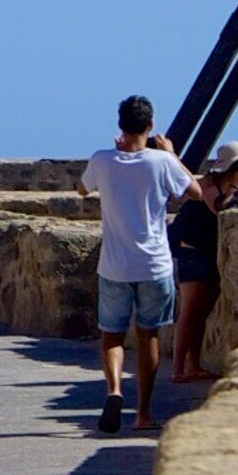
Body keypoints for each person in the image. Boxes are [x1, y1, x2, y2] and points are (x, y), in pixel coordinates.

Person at [81, 95, 194, 435]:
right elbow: (196, 191)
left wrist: (113, 156)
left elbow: (81, 189)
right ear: (150, 125)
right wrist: (172, 154)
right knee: (149, 337)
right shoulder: (162, 162)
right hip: (154, 266)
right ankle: (143, 413)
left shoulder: (102, 160)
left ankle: (114, 390)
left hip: (114, 266)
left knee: (111, 336)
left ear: (120, 125)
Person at [168, 141, 238, 387]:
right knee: (190, 312)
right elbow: (219, 209)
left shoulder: (235, 189)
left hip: (211, 254)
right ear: (232, 167)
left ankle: (193, 366)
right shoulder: (208, 185)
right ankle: (178, 368)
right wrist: (235, 187)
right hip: (192, 253)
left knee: (202, 313)